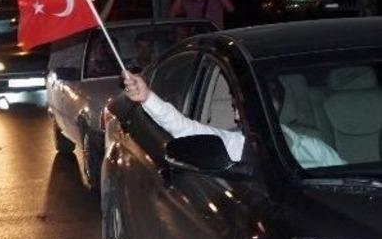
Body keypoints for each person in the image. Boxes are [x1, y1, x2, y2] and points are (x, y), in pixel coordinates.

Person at [122, 71, 345, 169]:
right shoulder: (237, 145)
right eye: (234, 107)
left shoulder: (316, 148)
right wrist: (147, 97)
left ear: (274, 107)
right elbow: (182, 127)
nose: (237, 116)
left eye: (241, 108)